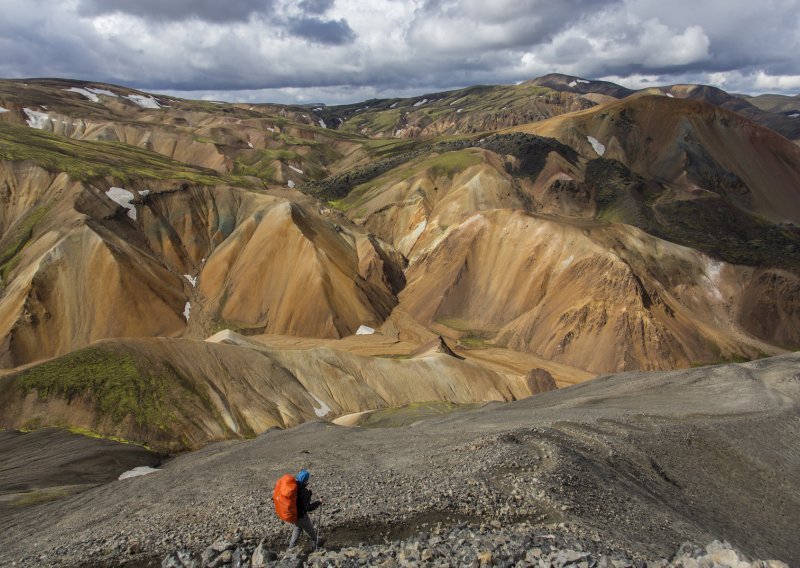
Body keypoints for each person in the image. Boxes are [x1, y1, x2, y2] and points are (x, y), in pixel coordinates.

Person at [288, 469, 323, 548]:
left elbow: (300, 500)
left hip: (295, 516)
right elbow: (308, 508)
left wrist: (309, 495)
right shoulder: (305, 492)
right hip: (303, 517)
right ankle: (316, 546)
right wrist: (319, 502)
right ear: (306, 480)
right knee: (312, 533)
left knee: (297, 528)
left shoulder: (293, 489)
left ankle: (291, 548)